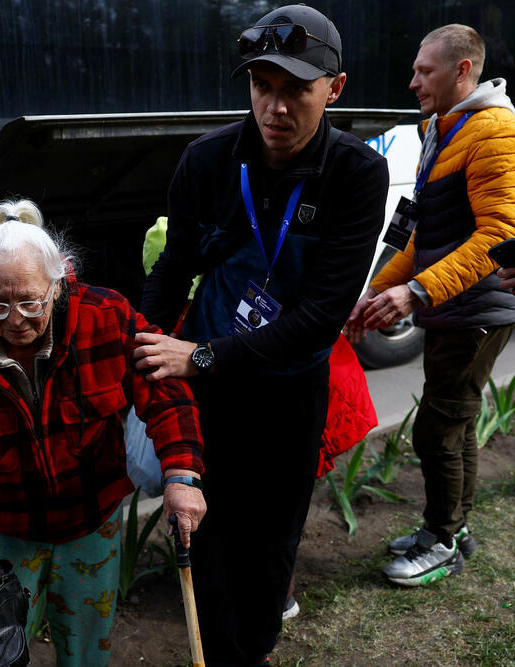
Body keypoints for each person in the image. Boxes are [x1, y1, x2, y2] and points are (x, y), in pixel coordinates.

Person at [136, 6, 388, 664]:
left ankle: (255, 647)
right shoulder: (207, 160)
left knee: (271, 543)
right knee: (211, 541)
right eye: (262, 86)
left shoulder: (358, 173)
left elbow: (322, 314)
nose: (275, 108)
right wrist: (138, 343)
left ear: (334, 89)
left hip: (289, 389)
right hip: (210, 394)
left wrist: (201, 354)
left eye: (296, 90)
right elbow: (174, 266)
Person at [0, 199, 206, 666]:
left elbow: (165, 394)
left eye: (29, 301)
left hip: (90, 521)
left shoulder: (106, 317)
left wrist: (182, 475)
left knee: (86, 651)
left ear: (57, 285)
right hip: (0, 530)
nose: (15, 319)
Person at [345, 24, 515, 586]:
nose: (412, 80)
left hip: (477, 311)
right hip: (454, 306)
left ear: (462, 71)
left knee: (438, 429)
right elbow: (420, 234)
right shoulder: (442, 128)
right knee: (456, 423)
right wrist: (375, 289)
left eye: (426, 71)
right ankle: (453, 528)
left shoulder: (493, 130)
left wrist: (415, 292)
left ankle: (441, 540)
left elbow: (498, 235)